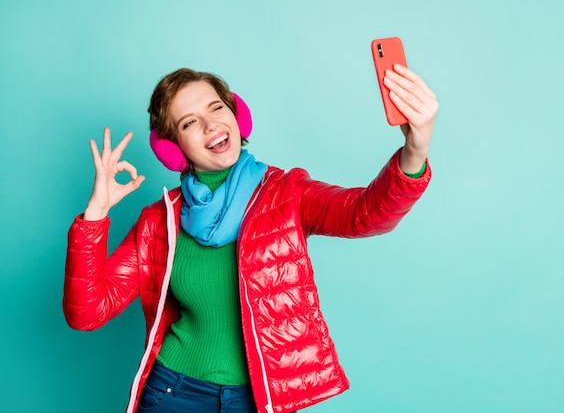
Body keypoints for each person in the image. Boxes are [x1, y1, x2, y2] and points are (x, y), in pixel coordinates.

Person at [63, 64, 438, 413]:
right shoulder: (158, 222)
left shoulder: (286, 193)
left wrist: (414, 150)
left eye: (217, 108)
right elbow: (87, 312)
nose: (211, 125)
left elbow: (366, 214)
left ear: (237, 116)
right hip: (172, 393)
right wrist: (96, 213)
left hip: (258, 399)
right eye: (191, 122)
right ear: (173, 148)